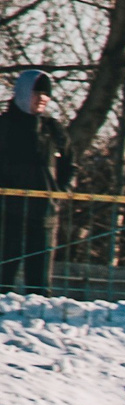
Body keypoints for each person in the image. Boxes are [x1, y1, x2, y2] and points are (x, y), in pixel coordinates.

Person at [0, 71, 69, 293]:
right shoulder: (4, 126)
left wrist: (60, 194)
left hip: (45, 215)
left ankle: (38, 324)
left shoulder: (53, 128)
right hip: (7, 215)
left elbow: (71, 164)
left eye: (46, 94)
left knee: (40, 284)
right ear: (23, 92)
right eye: (37, 92)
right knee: (3, 276)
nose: (42, 98)